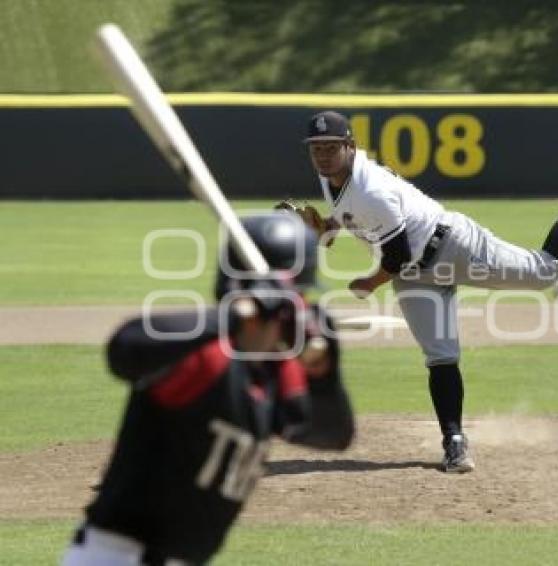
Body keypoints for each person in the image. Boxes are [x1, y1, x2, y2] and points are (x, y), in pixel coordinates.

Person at [301, 110, 558, 473]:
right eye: (316, 148)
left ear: (350, 147)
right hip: (417, 275)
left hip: (454, 247)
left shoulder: (372, 190)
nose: (323, 155)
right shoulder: (332, 177)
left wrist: (367, 283)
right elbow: (352, 215)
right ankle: (454, 442)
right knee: (440, 355)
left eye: (331, 147)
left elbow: (397, 256)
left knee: (546, 271)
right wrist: (327, 227)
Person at [61, 213, 354, 565]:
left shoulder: (273, 371)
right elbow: (124, 350)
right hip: (121, 557)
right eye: (299, 296)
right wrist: (238, 314)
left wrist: (325, 375)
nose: (303, 307)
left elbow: (329, 434)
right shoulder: (207, 356)